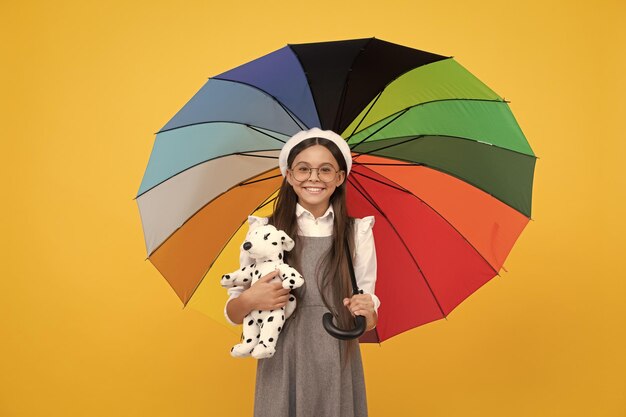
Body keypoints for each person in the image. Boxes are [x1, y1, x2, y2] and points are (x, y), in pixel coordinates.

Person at [224, 128, 380, 417]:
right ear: (288, 174)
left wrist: (367, 311)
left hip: (337, 354)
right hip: (282, 356)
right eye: (303, 169)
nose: (314, 178)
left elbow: (368, 318)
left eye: (325, 170)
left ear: (340, 177)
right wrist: (251, 299)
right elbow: (235, 311)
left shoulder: (356, 232)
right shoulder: (264, 231)